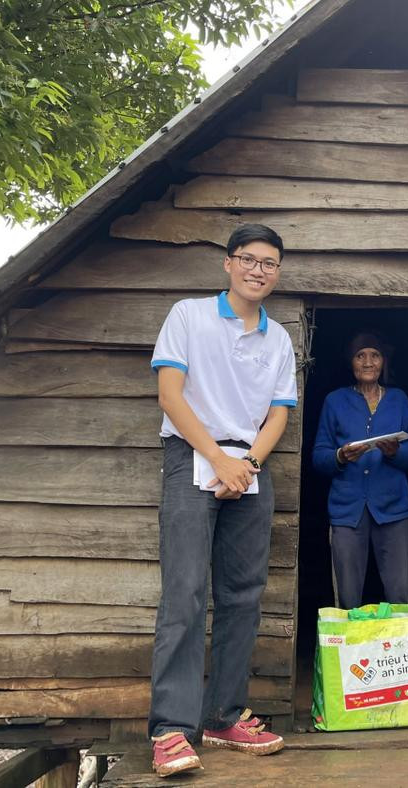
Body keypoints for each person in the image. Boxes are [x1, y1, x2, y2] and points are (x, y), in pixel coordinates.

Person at [146, 224, 298, 777]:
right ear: (229, 264)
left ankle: (223, 715)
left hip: (249, 465)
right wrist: (218, 458)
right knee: (184, 593)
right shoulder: (189, 316)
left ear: (277, 273)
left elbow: (279, 412)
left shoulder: (278, 339)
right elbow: (170, 393)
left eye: (270, 263)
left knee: (242, 595)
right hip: (193, 456)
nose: (259, 270)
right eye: (249, 259)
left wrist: (248, 464)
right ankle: (170, 729)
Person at [312, 333, 408, 609]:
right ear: (351, 363)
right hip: (348, 509)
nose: (368, 362)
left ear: (383, 361)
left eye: (374, 355)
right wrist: (340, 455)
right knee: (348, 595)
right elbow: (318, 457)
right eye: (360, 356)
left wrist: (395, 452)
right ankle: (352, 651)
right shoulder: (334, 401)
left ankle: (399, 650)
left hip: (393, 507)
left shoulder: (398, 400)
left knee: (399, 593)